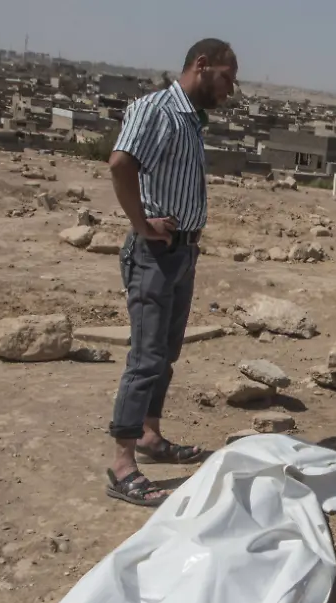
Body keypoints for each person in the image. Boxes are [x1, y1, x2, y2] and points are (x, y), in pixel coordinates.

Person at [104, 38, 239, 506]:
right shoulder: (157, 109)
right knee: (145, 357)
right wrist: (142, 224)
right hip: (153, 254)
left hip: (182, 254)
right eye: (226, 78)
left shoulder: (190, 119)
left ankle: (149, 434)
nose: (229, 90)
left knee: (165, 354)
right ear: (202, 65)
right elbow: (120, 164)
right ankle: (122, 466)